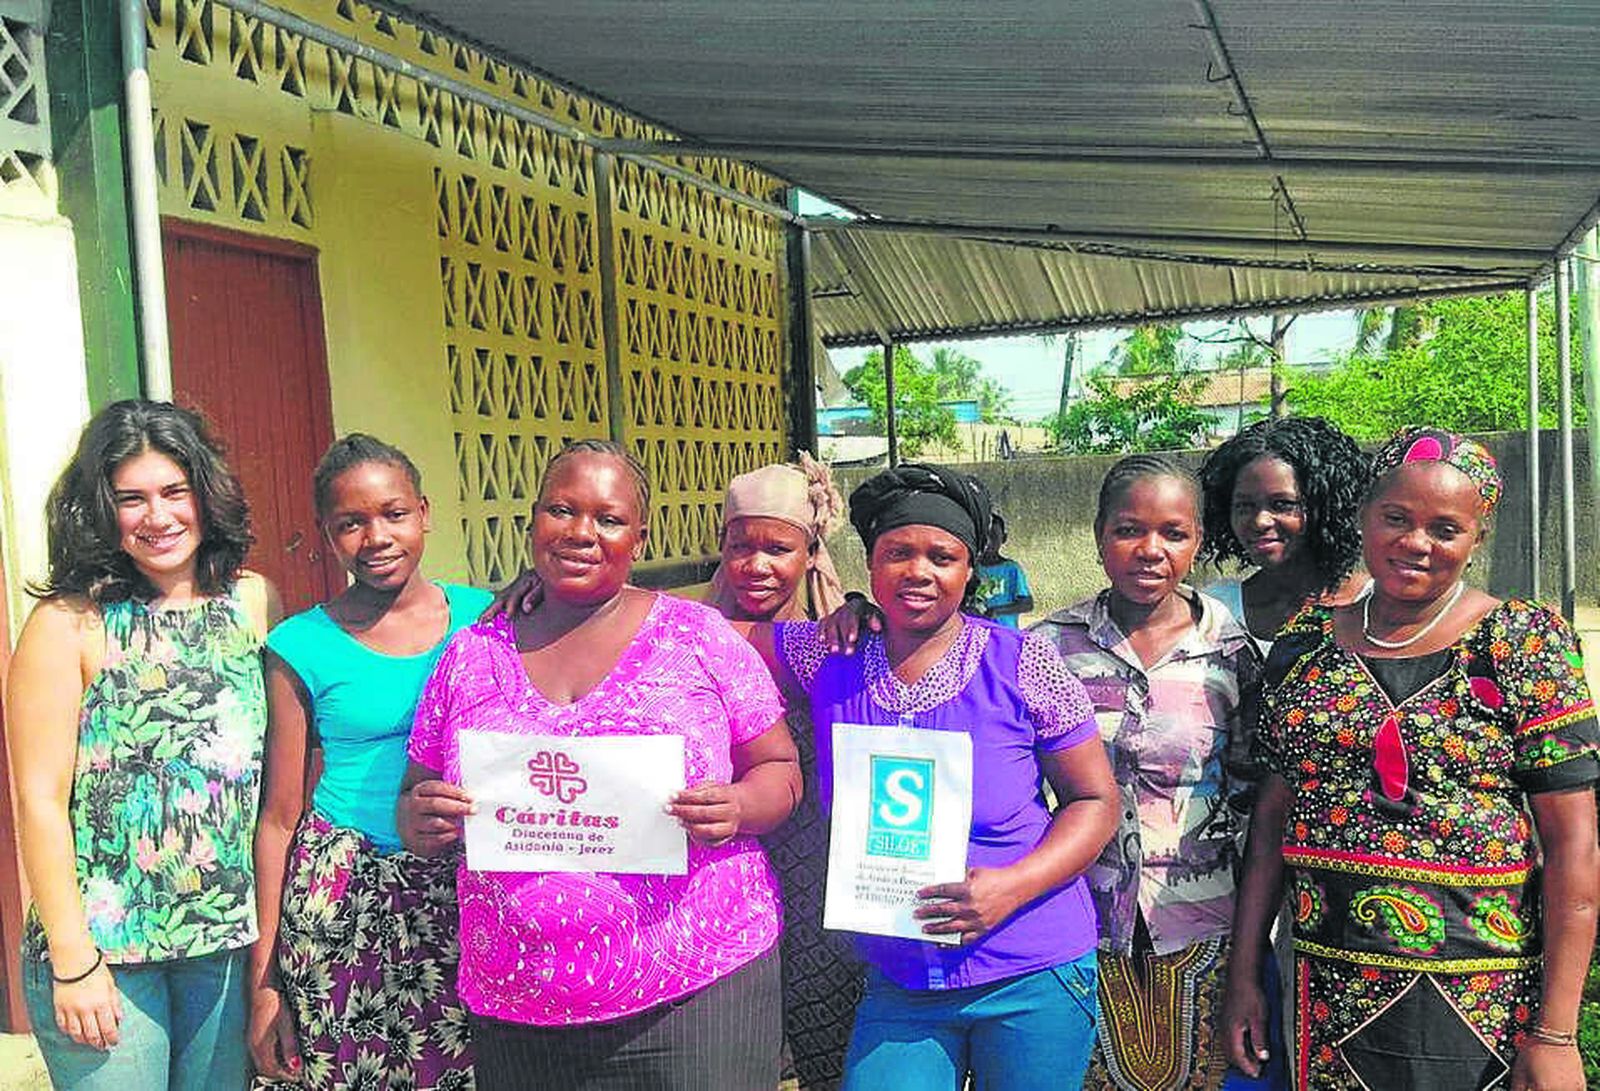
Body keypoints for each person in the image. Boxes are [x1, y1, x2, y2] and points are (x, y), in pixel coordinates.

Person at [398, 439, 801, 1090]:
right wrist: (423, 819)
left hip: (695, 994)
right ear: (533, 522)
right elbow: (416, 791)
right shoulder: (470, 653)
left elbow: (780, 767)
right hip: (521, 1005)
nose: (583, 532)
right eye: (562, 509)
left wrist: (739, 807)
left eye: (608, 518)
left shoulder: (698, 637)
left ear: (638, 538)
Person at [1222, 427, 1600, 1091]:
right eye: (1396, 517)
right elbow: (1270, 827)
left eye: (1445, 527)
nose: (1415, 542)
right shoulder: (1306, 641)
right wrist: (1246, 974)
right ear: (1364, 515)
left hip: (1482, 994)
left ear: (1476, 538)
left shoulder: (1520, 642)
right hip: (1326, 986)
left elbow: (1575, 846)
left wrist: (1556, 1032)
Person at [746, 462, 1119, 1090]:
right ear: (869, 566)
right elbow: (696, 633)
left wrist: (1010, 886)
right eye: (897, 553)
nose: (918, 571)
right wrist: (578, 583)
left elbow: (1095, 800)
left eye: (941, 556)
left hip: (1031, 965)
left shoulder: (1022, 662)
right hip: (902, 979)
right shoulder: (829, 656)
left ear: (968, 570)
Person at [9, 399, 277, 1089]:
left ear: (204, 494)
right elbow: (37, 801)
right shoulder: (68, 623)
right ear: (101, 509)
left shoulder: (251, 602)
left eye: (172, 492)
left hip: (219, 947)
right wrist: (72, 958)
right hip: (105, 952)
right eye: (131, 498)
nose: (157, 516)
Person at [248, 435, 484, 1089]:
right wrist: (264, 981)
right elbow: (278, 818)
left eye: (393, 513)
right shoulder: (298, 645)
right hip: (340, 894)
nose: (375, 536)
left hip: (459, 885)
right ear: (327, 534)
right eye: (351, 522)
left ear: (426, 512)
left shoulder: (486, 618)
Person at [1032, 454, 1267, 1091]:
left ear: (1197, 540)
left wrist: (1251, 949)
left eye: (1174, 533)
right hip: (1077, 919)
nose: (1150, 550)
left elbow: (1256, 798)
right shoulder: (1049, 646)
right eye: (1129, 529)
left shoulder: (1234, 652)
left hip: (1208, 925)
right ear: (1099, 536)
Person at [706, 453, 862, 1091]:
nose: (758, 565)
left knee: (825, 1023)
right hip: (721, 853)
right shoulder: (680, 631)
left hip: (814, 859)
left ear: (811, 552)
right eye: (741, 546)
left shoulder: (842, 638)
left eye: (779, 547)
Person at [1199, 416, 1371, 655]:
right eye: (1244, 506)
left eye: (1282, 504)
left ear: (1328, 506)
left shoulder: (1378, 605)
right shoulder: (1216, 611)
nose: (1260, 521)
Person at [975, 512, 1034, 629]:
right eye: (984, 537)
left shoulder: (1011, 569)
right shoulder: (972, 568)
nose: (989, 542)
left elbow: (1027, 604)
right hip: (978, 633)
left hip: (1006, 631)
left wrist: (997, 611)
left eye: (994, 537)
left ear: (1004, 538)